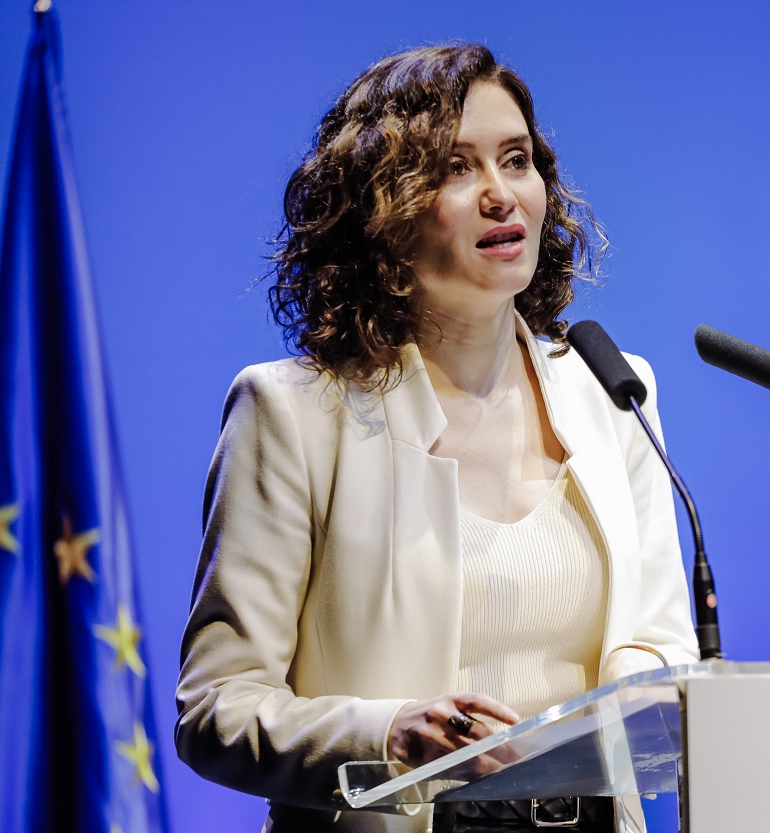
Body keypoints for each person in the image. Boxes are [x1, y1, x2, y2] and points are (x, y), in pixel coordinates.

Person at [174, 43, 699, 833]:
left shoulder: (614, 391)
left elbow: (661, 644)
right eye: (457, 170)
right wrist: (384, 734)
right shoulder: (293, 415)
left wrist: (632, 702)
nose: (501, 195)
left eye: (516, 160)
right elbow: (217, 707)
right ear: (382, 211)